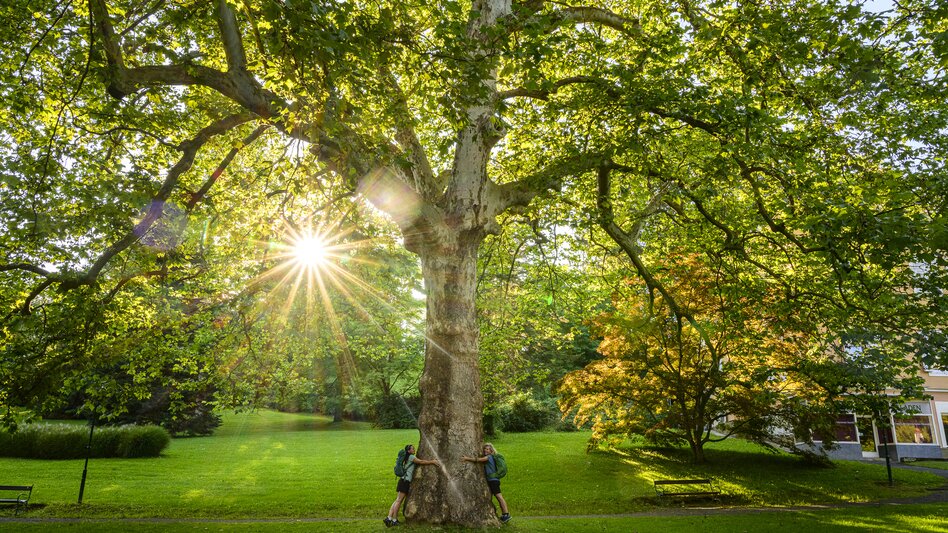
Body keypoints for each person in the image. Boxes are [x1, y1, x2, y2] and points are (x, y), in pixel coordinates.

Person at [385, 444, 440, 527]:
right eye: (412, 449)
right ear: (408, 451)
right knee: (399, 501)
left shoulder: (407, 458)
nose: (414, 450)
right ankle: (394, 520)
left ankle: (389, 518)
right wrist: (432, 461)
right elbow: (421, 462)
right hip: (405, 481)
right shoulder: (411, 457)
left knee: (397, 500)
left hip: (403, 480)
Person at [461, 443, 511, 523]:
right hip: (493, 480)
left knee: (499, 497)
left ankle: (506, 514)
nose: (485, 450)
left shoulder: (489, 457)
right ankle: (505, 514)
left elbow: (478, 460)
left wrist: (467, 458)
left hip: (493, 481)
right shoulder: (491, 458)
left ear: (491, 450)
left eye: (487, 449)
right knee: (498, 497)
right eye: (485, 449)